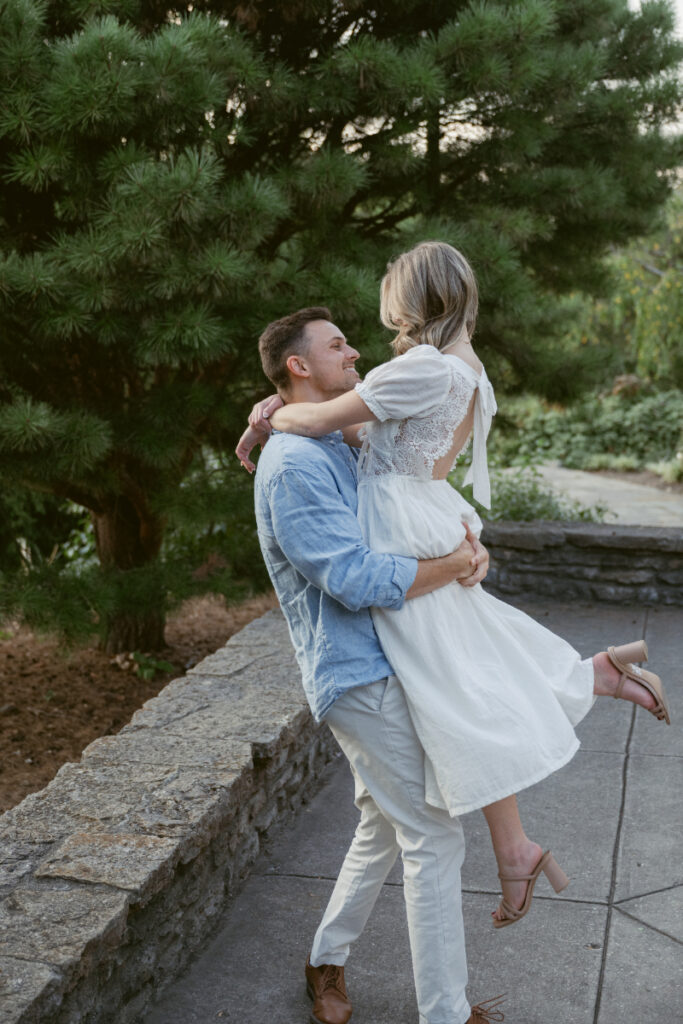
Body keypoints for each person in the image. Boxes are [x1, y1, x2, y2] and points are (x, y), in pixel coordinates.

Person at [237, 246, 670, 1022]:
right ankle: (444, 1011)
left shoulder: (334, 433)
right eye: (338, 345)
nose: (357, 349)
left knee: (393, 807)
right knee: (434, 831)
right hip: (355, 670)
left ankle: (326, 961)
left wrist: (459, 549)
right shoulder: (295, 465)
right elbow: (358, 579)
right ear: (298, 368)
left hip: (387, 643)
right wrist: (455, 555)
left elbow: (394, 470)